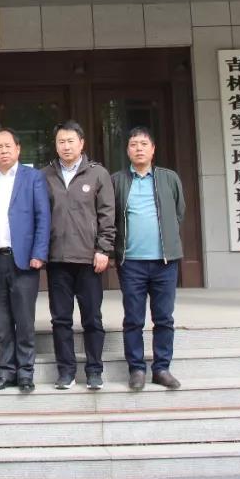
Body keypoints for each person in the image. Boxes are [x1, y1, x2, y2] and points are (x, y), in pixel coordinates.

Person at [42, 120, 115, 391]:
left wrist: (103, 249)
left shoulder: (98, 174)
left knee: (92, 318)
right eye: (61, 141)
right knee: (61, 319)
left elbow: (107, 215)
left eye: (70, 141)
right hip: (57, 259)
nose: (66, 146)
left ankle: (94, 370)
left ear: (81, 143)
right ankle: (66, 371)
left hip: (89, 259)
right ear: (55, 145)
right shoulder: (45, 175)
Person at [111, 127, 186, 391]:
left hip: (164, 262)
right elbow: (110, 217)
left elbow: (179, 212)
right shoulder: (117, 180)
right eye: (134, 144)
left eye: (144, 144)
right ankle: (136, 369)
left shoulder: (169, 178)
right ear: (127, 150)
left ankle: (162, 368)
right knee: (133, 318)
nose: (139, 148)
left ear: (153, 149)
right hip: (131, 262)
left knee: (164, 317)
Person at [0, 128, 50, 393]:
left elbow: (43, 217)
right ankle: (5, 371)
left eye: (8, 146)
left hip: (24, 260)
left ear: (18, 149)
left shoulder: (33, 177)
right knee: (1, 321)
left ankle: (25, 373)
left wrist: (39, 253)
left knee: (24, 320)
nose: (4, 151)